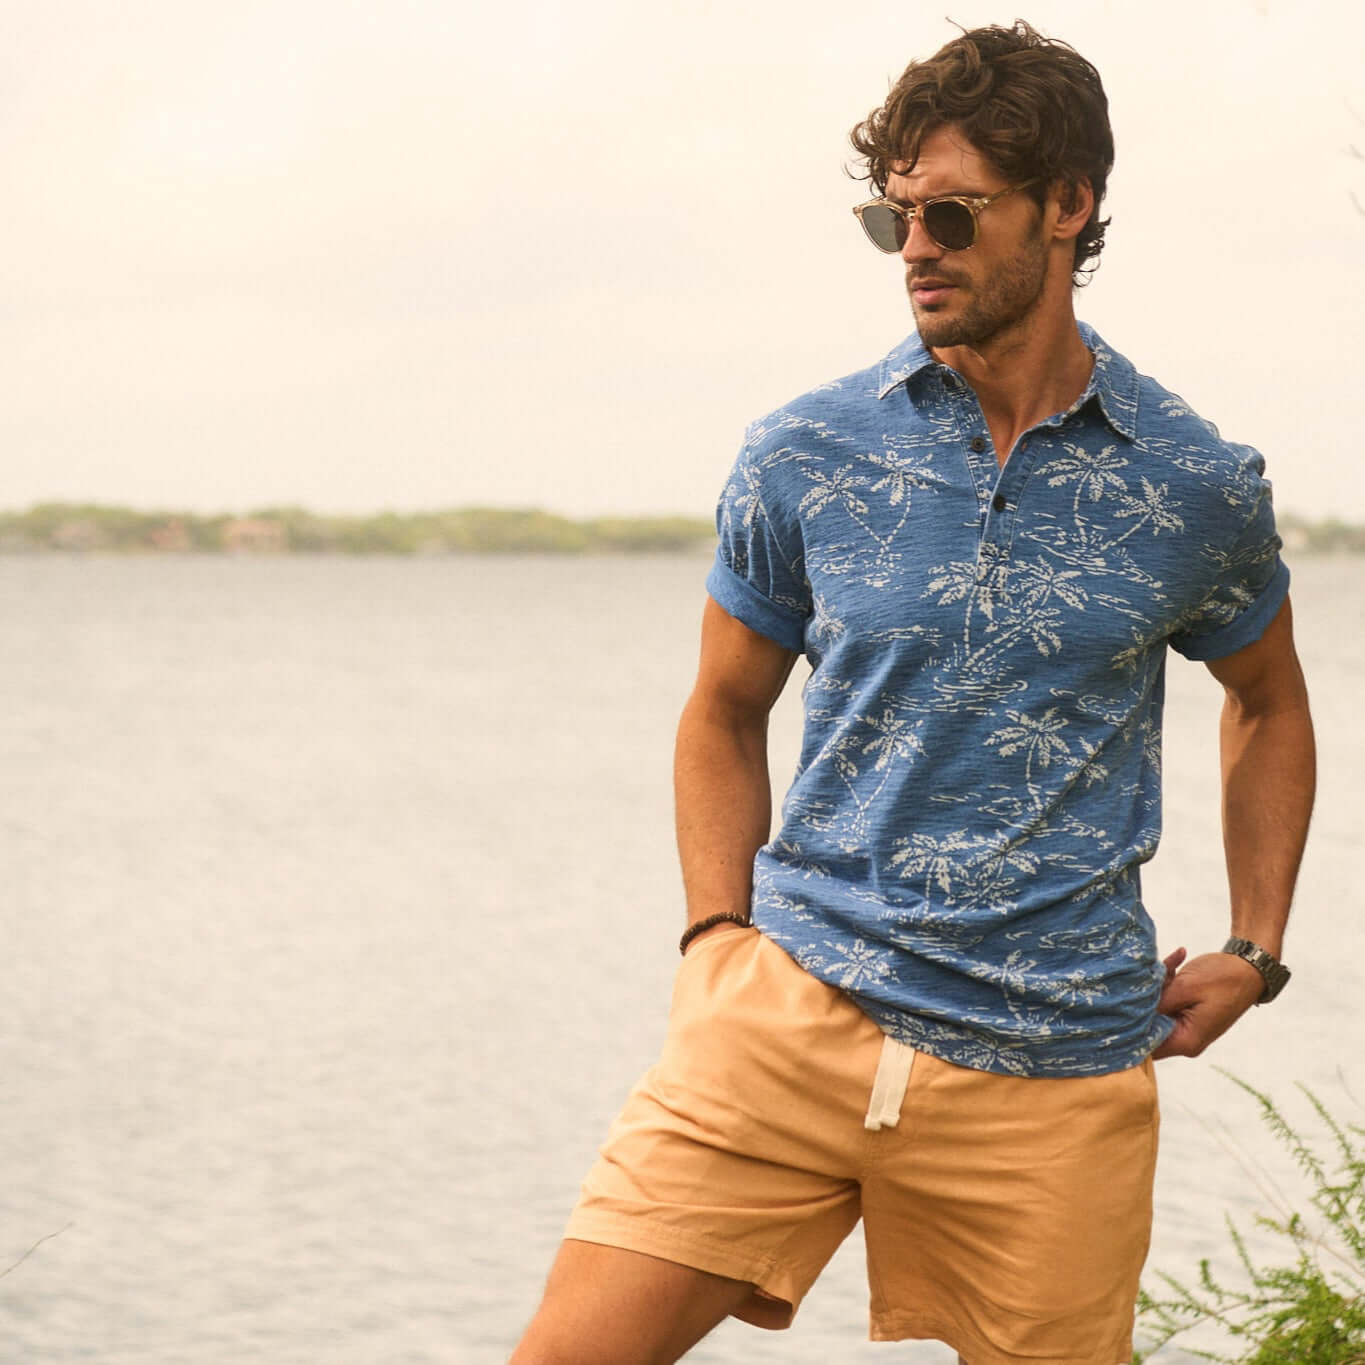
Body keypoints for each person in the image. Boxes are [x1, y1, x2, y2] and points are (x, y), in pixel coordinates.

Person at [510, 19, 1315, 1365]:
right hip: (786, 1018)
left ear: (1068, 204)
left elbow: (1270, 701)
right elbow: (721, 709)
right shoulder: (804, 452)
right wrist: (713, 938)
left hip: (1053, 1072)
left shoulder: (1192, 485)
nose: (916, 250)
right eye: (893, 220)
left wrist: (1258, 945)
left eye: (951, 213)